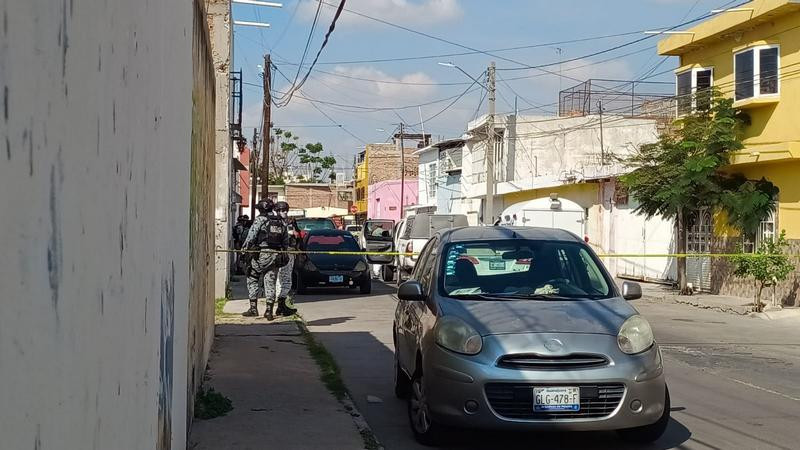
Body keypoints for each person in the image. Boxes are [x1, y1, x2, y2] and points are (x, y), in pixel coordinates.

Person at [241, 199, 290, 320]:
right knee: (270, 282)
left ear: (261, 209)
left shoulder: (260, 220)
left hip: (259, 255)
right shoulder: (280, 221)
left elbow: (251, 236)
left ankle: (253, 308)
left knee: (252, 278)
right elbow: (285, 241)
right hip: (275, 256)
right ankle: (269, 311)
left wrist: (243, 251)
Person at [273, 201, 297, 317]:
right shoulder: (276, 223)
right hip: (282, 254)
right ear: (277, 211)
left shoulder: (288, 222)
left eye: (286, 210)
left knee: (282, 280)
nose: (285, 213)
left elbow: (296, 236)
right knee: (285, 280)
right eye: (283, 210)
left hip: (287, 253)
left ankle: (280, 306)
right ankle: (281, 305)